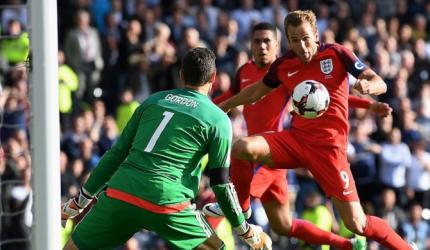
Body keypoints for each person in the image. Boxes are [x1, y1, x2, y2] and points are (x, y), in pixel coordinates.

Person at [213, 10, 416, 250]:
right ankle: (242, 209)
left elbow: (379, 81)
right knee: (241, 147)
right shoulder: (283, 64)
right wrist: (223, 106)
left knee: (357, 224)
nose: (302, 45)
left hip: (330, 151)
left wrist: (369, 87)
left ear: (316, 35)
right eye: (295, 40)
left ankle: (404, 247)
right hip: (295, 140)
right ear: (288, 41)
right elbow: (257, 92)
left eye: (306, 38)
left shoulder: (337, 53)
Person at [61, 48, 271, 250]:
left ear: (181, 74)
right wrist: (244, 230)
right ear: (213, 78)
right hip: (168, 203)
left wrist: (80, 201)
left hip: (121, 193)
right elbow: (221, 183)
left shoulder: (153, 101)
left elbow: (115, 154)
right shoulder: (218, 119)